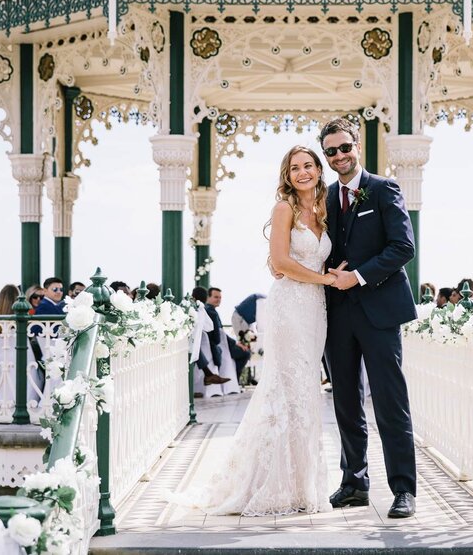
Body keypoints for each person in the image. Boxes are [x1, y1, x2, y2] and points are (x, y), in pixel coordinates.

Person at [175, 145, 336, 516]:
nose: (302, 172)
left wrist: (330, 274)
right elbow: (280, 261)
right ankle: (270, 483)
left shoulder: (325, 211)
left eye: (308, 165)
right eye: (294, 167)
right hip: (289, 306)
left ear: (318, 169)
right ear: (287, 175)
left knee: (306, 392)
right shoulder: (284, 209)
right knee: (285, 389)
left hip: (316, 309)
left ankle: (303, 484)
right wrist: (324, 278)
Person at [321, 118, 418, 519]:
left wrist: (356, 277)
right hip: (335, 316)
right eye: (331, 151)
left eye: (345, 147)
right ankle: (354, 483)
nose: (339, 156)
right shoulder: (322, 198)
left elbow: (403, 247)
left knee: (390, 402)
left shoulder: (383, 189)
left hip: (379, 312)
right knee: (345, 402)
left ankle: (403, 490)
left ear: (357, 145)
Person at [190, 286, 230, 387]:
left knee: (193, 346)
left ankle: (205, 379)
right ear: (207, 298)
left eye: (220, 297)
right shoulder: (205, 311)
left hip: (197, 345)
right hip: (206, 346)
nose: (219, 300)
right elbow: (211, 329)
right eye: (216, 297)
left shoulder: (197, 309)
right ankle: (208, 375)